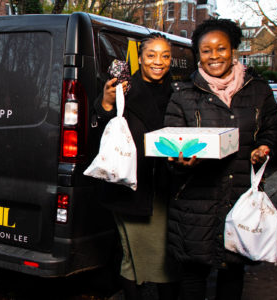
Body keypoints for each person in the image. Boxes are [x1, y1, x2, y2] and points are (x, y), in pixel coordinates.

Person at [163, 19, 277, 300]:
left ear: (234, 51)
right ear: (198, 55)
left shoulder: (258, 90)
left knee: (232, 276)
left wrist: (266, 145)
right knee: (192, 280)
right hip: (195, 206)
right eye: (206, 51)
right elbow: (170, 146)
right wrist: (178, 162)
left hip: (239, 200)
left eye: (221, 48)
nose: (214, 56)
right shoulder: (183, 95)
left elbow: (276, 129)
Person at [92, 33, 179, 300]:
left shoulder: (178, 92)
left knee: (155, 255)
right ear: (139, 58)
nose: (158, 61)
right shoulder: (125, 88)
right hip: (132, 186)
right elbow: (102, 125)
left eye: (165, 56)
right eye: (151, 55)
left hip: (166, 186)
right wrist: (107, 101)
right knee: (139, 255)